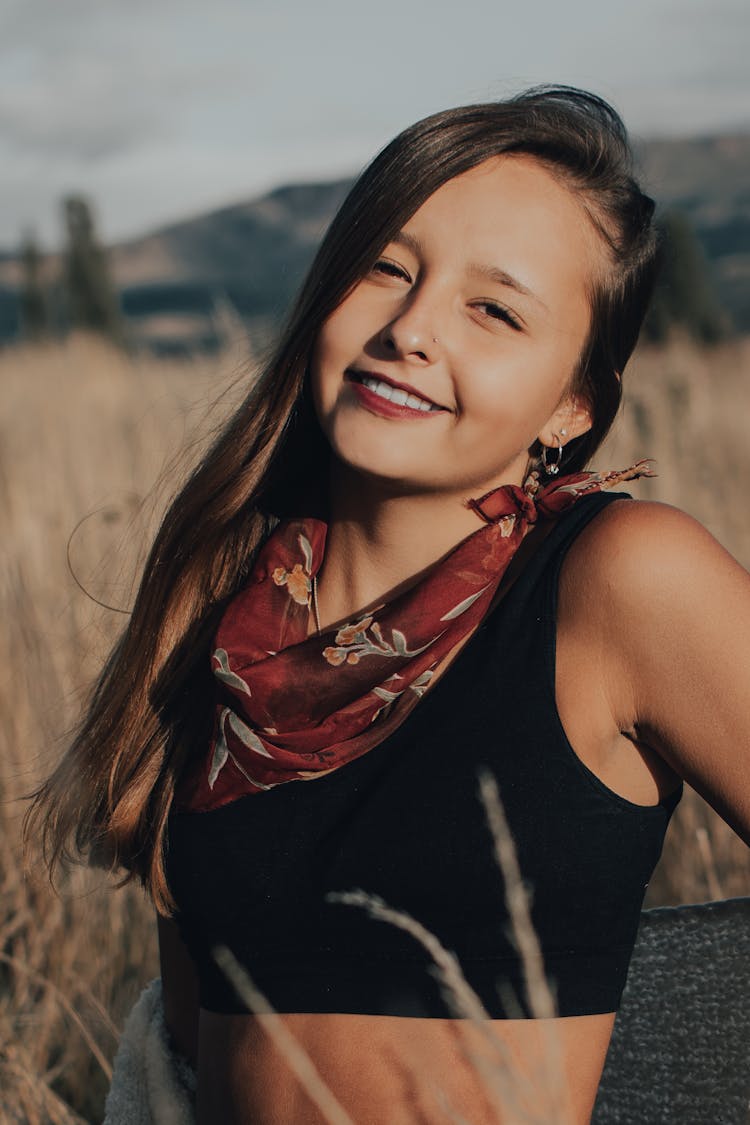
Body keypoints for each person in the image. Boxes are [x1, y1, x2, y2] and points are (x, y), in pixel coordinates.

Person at [30, 86, 750, 1125]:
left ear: (572, 407)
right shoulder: (222, 612)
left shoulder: (623, 579)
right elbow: (189, 1039)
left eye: (493, 309)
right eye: (387, 268)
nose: (411, 328)